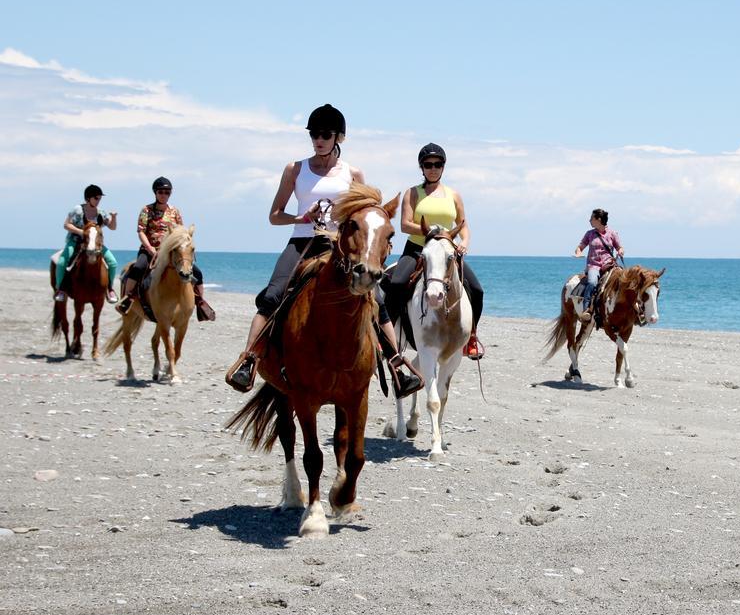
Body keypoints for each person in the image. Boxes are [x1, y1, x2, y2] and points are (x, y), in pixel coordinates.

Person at [225, 104, 420, 396]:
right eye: (314, 134)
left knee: (376, 297)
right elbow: (275, 215)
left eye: (325, 134)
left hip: (339, 247)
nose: (318, 139)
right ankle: (249, 360)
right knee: (273, 294)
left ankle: (397, 365)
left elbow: (367, 213)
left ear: (338, 138)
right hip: (302, 241)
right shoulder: (295, 169)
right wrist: (301, 218)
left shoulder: (352, 172)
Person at [382, 143, 485, 360]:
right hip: (418, 249)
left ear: (443, 167)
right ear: (421, 168)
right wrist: (435, 232)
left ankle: (472, 337)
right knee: (397, 284)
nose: (433, 168)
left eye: (438, 164)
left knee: (476, 289)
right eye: (428, 165)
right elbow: (405, 224)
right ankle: (387, 341)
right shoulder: (412, 193)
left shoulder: (454, 195)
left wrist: (464, 240)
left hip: (447, 251)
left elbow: (463, 224)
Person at [116, 177, 214, 320]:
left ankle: (200, 302)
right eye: (161, 191)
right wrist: (150, 248)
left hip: (170, 251)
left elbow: (181, 231)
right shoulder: (146, 210)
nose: (164, 194)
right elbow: (141, 231)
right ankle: (128, 298)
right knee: (138, 268)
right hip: (150, 250)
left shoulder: (175, 211)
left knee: (197, 273)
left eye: (167, 192)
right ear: (155, 193)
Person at [55, 184, 119, 303]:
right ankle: (61, 289)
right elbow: (66, 224)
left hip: (95, 243)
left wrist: (114, 218)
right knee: (62, 261)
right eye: (96, 198)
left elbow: (113, 227)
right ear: (88, 198)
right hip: (76, 241)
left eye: (99, 198)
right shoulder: (77, 210)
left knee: (113, 262)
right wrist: (82, 232)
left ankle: (109, 289)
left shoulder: (101, 213)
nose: (98, 200)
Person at [574, 208, 624, 322]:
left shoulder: (612, 233)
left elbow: (619, 247)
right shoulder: (589, 234)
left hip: (609, 264)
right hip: (594, 265)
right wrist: (578, 252)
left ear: (599, 220)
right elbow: (580, 247)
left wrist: (620, 251)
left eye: (592, 218)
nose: (589, 220)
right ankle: (586, 310)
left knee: (624, 281)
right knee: (592, 282)